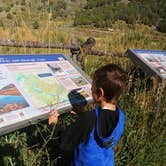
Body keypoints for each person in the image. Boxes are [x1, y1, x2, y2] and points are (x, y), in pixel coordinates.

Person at [49, 63, 126, 166]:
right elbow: (100, 123)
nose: (90, 89)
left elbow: (64, 143)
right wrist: (82, 115)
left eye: (93, 86)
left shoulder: (89, 119)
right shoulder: (120, 115)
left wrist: (54, 125)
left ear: (100, 93)